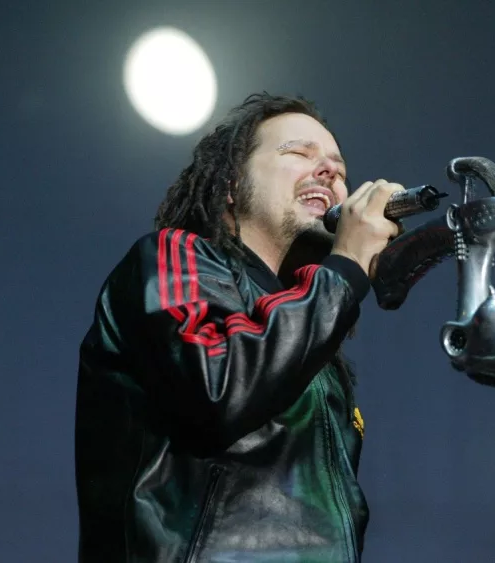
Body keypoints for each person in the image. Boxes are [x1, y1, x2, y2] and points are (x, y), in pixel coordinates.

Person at [75, 92, 404, 562]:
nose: (330, 172)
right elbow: (219, 388)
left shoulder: (317, 346)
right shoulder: (173, 259)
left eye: (339, 166)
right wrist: (347, 268)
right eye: (298, 153)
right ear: (231, 184)